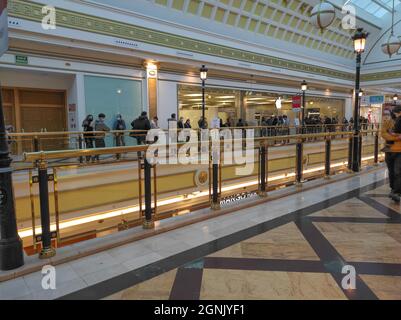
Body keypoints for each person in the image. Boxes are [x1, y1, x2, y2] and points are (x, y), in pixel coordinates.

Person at [381, 105, 401, 202]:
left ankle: (396, 191)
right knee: (391, 170)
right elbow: (383, 134)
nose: (394, 114)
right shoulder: (387, 122)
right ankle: (393, 188)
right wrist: (396, 137)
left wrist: (392, 136)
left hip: (399, 150)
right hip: (389, 149)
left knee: (398, 171)